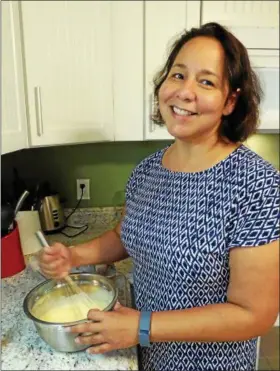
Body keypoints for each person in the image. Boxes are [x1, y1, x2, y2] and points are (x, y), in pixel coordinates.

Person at [39, 22, 279, 371]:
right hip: (147, 355)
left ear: (230, 101)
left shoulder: (258, 186)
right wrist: (73, 255)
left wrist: (142, 326)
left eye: (206, 81)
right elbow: (126, 235)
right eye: (178, 75)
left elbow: (254, 314)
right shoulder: (148, 170)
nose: (185, 92)